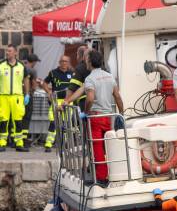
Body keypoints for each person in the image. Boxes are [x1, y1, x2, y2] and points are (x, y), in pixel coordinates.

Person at [81, 50, 124, 185]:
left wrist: (86, 112)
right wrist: (121, 113)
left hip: (95, 117)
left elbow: (90, 98)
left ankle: (101, 178)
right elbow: (117, 96)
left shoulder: (90, 79)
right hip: (108, 116)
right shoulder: (109, 76)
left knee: (97, 147)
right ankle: (115, 172)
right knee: (109, 145)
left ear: (89, 62)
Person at [0, 44, 30, 152]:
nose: (7, 53)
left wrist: (27, 94)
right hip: (3, 97)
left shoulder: (21, 66)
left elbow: (26, 79)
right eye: (7, 51)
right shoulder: (1, 65)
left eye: (10, 51)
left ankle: (19, 144)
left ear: (15, 53)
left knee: (18, 121)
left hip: (17, 97)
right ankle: (2, 144)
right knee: (3, 121)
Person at [42, 55, 73, 152]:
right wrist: (49, 92)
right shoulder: (53, 73)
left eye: (66, 61)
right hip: (55, 101)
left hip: (67, 101)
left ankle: (63, 145)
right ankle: (48, 144)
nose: (64, 63)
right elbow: (44, 83)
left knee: (65, 123)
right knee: (53, 122)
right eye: (62, 61)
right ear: (59, 62)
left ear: (68, 63)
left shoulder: (72, 74)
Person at [20, 53, 41, 146]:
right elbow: (34, 85)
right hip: (28, 96)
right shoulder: (32, 70)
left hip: (17, 95)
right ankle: (24, 138)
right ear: (34, 62)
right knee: (26, 117)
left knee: (17, 117)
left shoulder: (20, 67)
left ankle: (14, 138)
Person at [63, 45, 90, 111]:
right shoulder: (100, 68)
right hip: (100, 103)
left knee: (78, 120)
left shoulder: (80, 68)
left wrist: (65, 102)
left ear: (79, 55)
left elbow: (72, 87)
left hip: (84, 101)